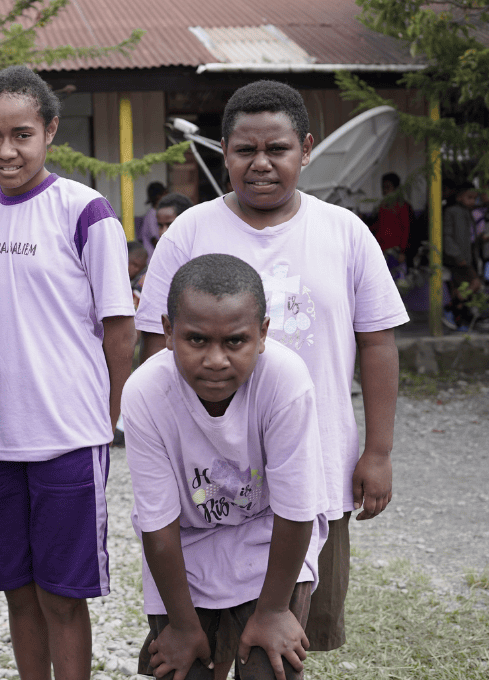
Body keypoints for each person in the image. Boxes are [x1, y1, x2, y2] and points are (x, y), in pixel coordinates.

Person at [136, 80, 408, 664]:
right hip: (205, 479)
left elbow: (378, 343)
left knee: (283, 645)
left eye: (277, 149)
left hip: (315, 472)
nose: (260, 164)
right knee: (196, 650)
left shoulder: (344, 232)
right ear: (224, 154)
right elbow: (158, 350)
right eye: (243, 150)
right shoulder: (188, 232)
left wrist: (378, 451)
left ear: (306, 148)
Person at [0, 64, 136, 680]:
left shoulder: (84, 212)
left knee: (63, 594)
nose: (6, 151)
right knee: (17, 592)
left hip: (67, 436)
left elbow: (119, 328)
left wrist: (106, 421)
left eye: (22, 134)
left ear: (49, 131)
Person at [123, 253, 328, 680]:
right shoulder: (145, 392)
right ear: (167, 331)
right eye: (196, 340)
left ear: (263, 334)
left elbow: (296, 510)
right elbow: (158, 526)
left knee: (267, 669)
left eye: (235, 341)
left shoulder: (285, 381)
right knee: (183, 668)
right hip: (186, 544)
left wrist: (273, 611)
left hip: (270, 537)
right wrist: (181, 625)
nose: (216, 359)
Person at [370, 173, 411, 258]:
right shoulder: (382, 205)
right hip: (382, 249)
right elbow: (379, 225)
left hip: (396, 251)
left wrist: (402, 251)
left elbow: (406, 230)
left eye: (387, 187)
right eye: (383, 187)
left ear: (395, 188)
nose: (384, 190)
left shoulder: (402, 206)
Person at [140, 181, 168, 253]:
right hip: (151, 257)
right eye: (165, 194)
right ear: (159, 196)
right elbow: (154, 239)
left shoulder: (157, 213)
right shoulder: (151, 215)